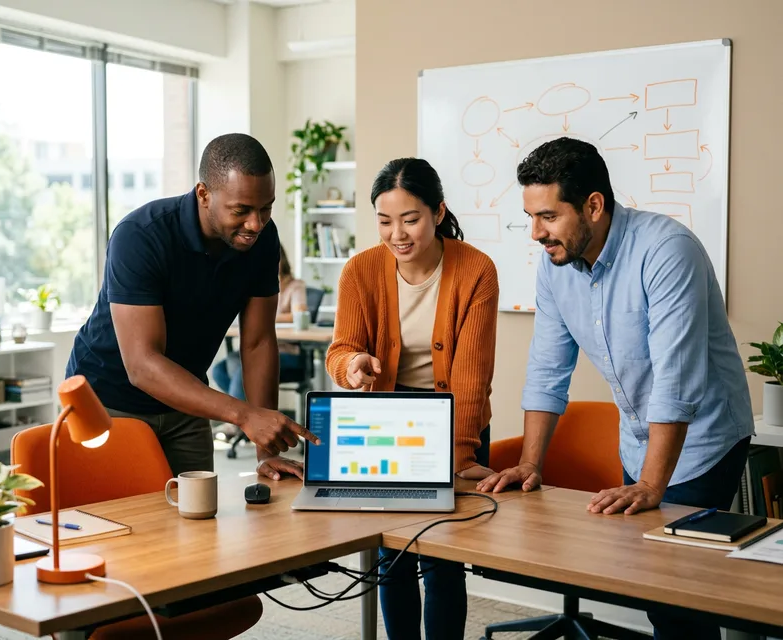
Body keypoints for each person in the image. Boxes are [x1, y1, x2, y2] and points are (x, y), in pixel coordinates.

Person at [477, 137, 753, 640]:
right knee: (652, 585)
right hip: (638, 435)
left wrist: (651, 485)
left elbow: (676, 379)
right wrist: (531, 463)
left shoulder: (667, 251)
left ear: (594, 206)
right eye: (530, 217)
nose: (536, 233)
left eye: (548, 216)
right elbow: (546, 369)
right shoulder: (554, 265)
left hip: (705, 437)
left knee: (679, 594)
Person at [66, 133, 316, 481]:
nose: (256, 224)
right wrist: (243, 415)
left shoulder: (262, 239)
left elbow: (258, 341)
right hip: (107, 401)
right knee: (117, 525)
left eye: (266, 207)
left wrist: (264, 452)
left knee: (195, 522)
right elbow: (142, 364)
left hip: (185, 403)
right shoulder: (140, 236)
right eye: (241, 210)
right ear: (204, 194)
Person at [326, 157, 499, 640]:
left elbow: (471, 378)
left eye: (410, 219)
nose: (397, 234)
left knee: (444, 557)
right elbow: (340, 350)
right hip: (386, 423)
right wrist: (352, 366)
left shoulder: (476, 269)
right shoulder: (360, 271)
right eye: (384, 221)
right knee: (393, 555)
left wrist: (460, 456)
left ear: (438, 212)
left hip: (456, 424)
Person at [211, 244, 307, 401]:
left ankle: (239, 422)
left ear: (281, 260)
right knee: (219, 371)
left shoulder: (295, 286)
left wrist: (262, 317)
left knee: (243, 370)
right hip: (258, 347)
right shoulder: (256, 286)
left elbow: (299, 314)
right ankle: (245, 415)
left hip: (288, 352)